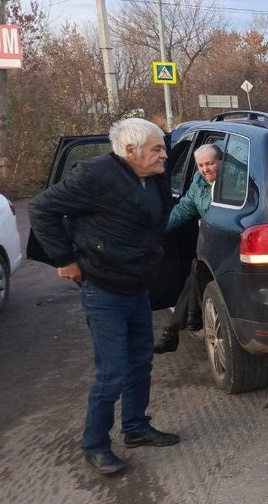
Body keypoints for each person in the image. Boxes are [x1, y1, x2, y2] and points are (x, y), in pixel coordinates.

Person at [29, 118, 180, 476]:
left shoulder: (154, 177)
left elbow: (158, 221)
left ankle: (136, 428)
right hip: (104, 289)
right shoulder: (94, 175)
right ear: (130, 151)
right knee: (112, 372)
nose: (164, 154)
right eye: (157, 148)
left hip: (137, 284)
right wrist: (64, 258)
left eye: (163, 147)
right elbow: (42, 209)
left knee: (141, 361)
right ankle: (95, 445)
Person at [153, 143, 221, 354]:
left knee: (194, 271)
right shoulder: (199, 182)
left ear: (221, 162)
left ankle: (179, 325)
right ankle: (186, 320)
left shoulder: (234, 182)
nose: (205, 169)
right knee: (194, 271)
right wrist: (155, 229)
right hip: (211, 241)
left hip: (230, 240)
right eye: (200, 165)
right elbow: (184, 208)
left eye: (210, 163)